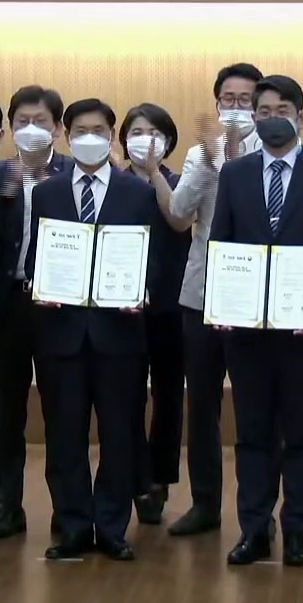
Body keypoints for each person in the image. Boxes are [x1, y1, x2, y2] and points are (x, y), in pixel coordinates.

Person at [211, 74, 303, 568]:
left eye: (283, 110)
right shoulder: (235, 174)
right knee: (252, 433)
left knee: (302, 433)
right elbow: (221, 242)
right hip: (246, 330)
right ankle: (254, 529)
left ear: (302, 116)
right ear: (254, 117)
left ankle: (297, 528)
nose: (273, 119)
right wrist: (224, 303)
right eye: (264, 111)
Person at [26, 99, 161, 560]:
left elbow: (151, 257)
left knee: (119, 434)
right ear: (66, 136)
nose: (90, 138)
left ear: (111, 136)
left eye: (99, 130)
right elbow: (36, 256)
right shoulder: (46, 193)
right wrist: (40, 283)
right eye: (81, 130)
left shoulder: (137, 192)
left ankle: (112, 527)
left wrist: (141, 290)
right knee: (64, 436)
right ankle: (73, 526)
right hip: (60, 332)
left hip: (119, 333)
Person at [166, 62, 265, 536]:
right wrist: (208, 162)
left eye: (246, 100)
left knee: (255, 408)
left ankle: (257, 511)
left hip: (255, 300)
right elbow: (179, 214)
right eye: (229, 99)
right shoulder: (198, 155)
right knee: (202, 406)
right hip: (201, 295)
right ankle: (205, 504)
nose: (236, 107)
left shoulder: (273, 153)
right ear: (217, 103)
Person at [0, 85, 69, 539]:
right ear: (10, 127)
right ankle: (8, 505)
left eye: (40, 121)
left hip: (59, 307)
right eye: (22, 122)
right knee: (6, 410)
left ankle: (65, 510)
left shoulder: (74, 173)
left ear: (58, 128)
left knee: (62, 410)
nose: (31, 129)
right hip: (6, 306)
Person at [119, 103, 192, 524]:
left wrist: (154, 174)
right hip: (123, 304)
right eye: (136, 132)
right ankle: (134, 476)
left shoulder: (180, 182)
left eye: (154, 133)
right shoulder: (113, 183)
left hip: (170, 303)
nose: (144, 140)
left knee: (168, 395)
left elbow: (179, 219)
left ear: (168, 142)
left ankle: (160, 478)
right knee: (127, 393)